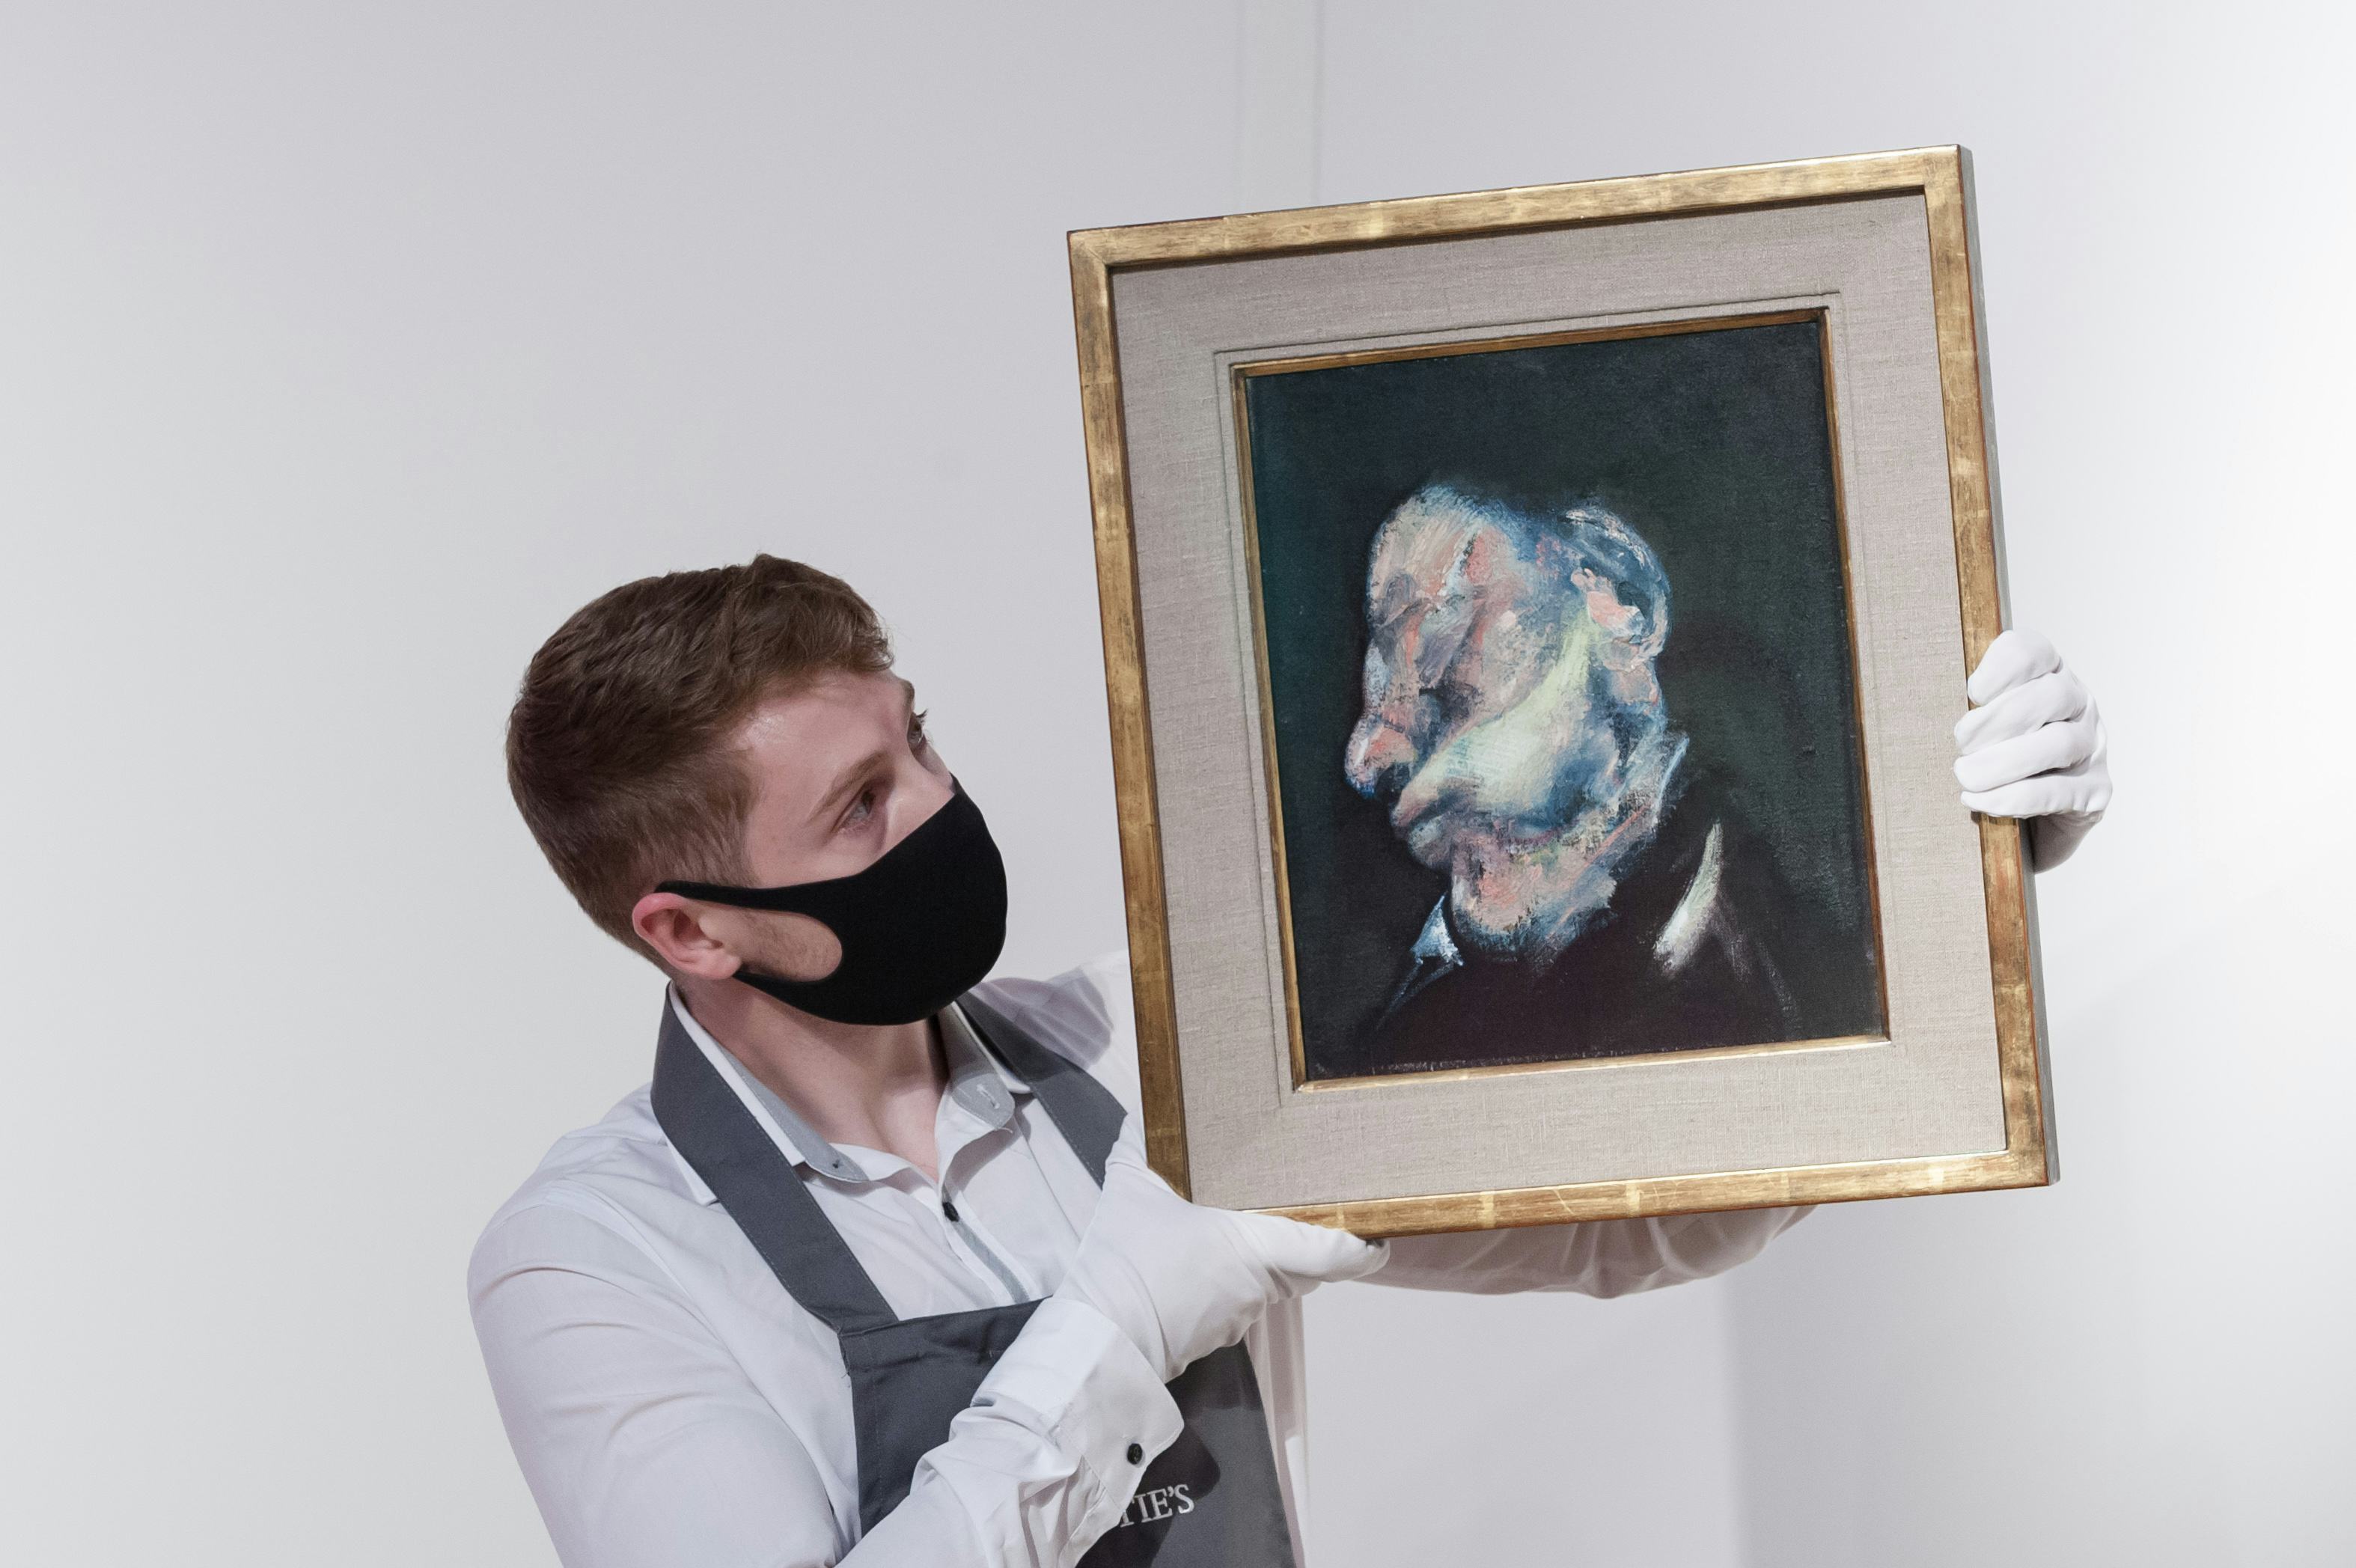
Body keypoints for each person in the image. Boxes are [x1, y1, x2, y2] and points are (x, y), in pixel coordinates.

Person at [469, 554, 2109, 1568]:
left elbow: (1630, 1222)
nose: (939, 806)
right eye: (858, 808)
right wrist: (1117, 1322)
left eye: (917, 741)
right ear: (692, 931)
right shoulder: (593, 1260)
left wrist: (1910, 903)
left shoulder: (1150, 1049)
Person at [1345, 484, 1874, 1073]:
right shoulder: (1424, 1019)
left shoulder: (1797, 978)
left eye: (1450, 669)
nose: (1366, 762)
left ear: (1617, 610)